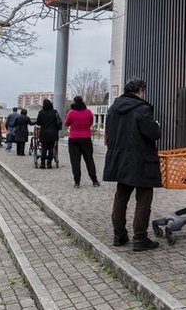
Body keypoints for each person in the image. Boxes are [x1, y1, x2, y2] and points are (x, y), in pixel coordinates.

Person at [104, 77, 161, 252]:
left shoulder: (113, 108)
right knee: (143, 199)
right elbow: (153, 133)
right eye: (144, 90)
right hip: (141, 161)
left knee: (121, 197)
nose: (144, 94)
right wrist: (156, 126)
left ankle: (119, 235)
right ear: (139, 91)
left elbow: (109, 132)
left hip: (120, 160)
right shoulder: (142, 109)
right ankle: (140, 238)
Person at [65, 96, 100, 188]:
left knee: (75, 161)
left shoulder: (71, 112)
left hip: (73, 139)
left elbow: (66, 123)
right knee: (89, 159)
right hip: (86, 138)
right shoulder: (88, 112)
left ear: (74, 102)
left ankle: (77, 182)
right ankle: (94, 180)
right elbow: (90, 122)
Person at [35, 99, 62, 169]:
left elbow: (38, 123)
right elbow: (58, 122)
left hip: (44, 133)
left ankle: (43, 164)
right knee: (51, 149)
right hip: (53, 133)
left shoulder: (41, 112)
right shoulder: (55, 112)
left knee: (44, 149)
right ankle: (49, 164)